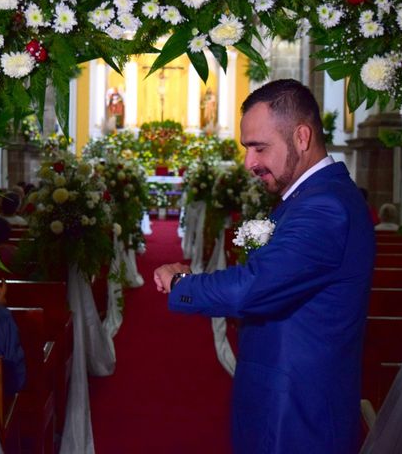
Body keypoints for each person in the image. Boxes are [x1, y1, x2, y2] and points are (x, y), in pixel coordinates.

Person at [154, 79, 375, 453]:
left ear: (301, 137)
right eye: (246, 148)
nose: (249, 162)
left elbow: (254, 286)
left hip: (298, 413)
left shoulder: (325, 206)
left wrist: (182, 283)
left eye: (259, 148)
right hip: (282, 396)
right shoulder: (310, 196)